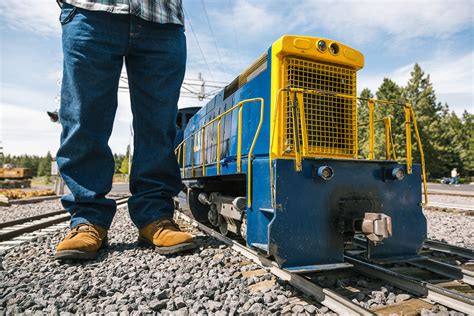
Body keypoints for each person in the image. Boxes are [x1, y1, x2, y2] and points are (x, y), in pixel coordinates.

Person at [55, 0, 195, 260]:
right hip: (91, 10)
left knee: (159, 124)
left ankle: (156, 216)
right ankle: (87, 218)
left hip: (163, 18)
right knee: (84, 117)